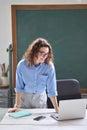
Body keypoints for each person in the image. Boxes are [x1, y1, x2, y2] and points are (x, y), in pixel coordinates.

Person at [8, 38, 59, 113]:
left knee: (40, 121)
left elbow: (52, 90)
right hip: (25, 98)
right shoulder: (22, 65)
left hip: (40, 99)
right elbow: (19, 87)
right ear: (35, 51)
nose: (45, 56)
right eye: (42, 53)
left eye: (47, 54)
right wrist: (17, 106)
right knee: (24, 121)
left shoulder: (49, 67)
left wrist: (57, 109)